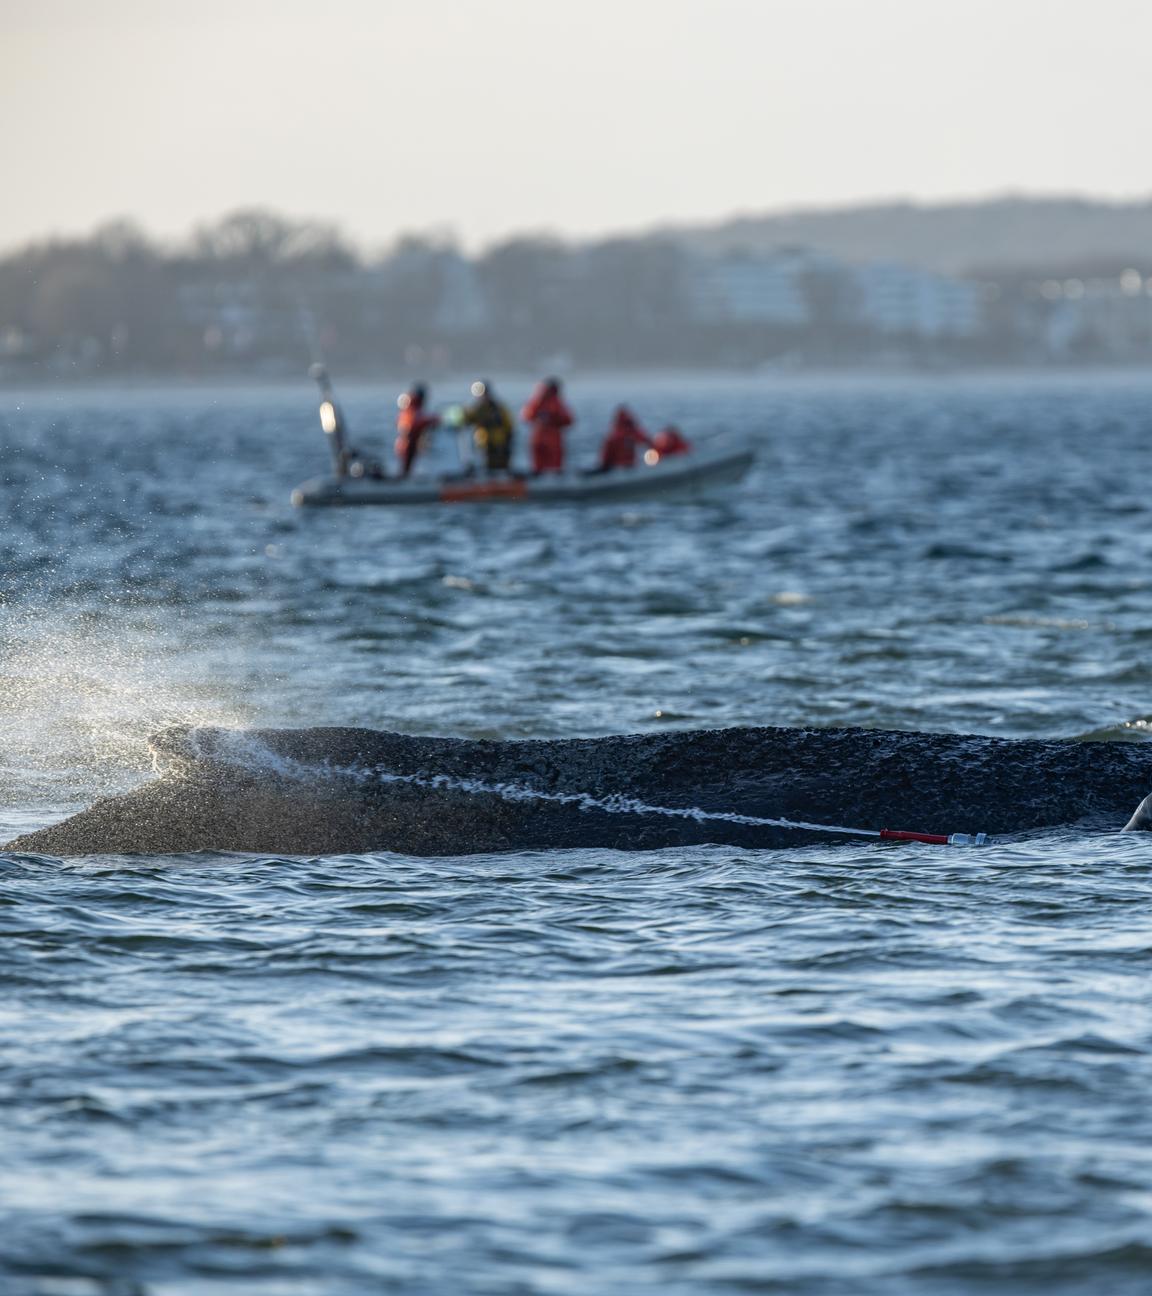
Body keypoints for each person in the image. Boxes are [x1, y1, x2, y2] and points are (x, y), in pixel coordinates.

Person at [521, 377, 574, 475]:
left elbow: (568, 420)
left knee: (544, 469)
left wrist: (553, 419)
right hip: (547, 441)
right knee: (549, 469)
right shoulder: (552, 402)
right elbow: (526, 416)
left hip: (541, 439)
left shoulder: (537, 401)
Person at [461, 380, 516, 474]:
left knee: (501, 468)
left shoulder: (499, 409)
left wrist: (508, 443)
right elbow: (466, 420)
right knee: (485, 469)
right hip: (483, 446)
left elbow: (510, 426)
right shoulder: (476, 409)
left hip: (499, 445)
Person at [591, 405, 654, 473]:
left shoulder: (613, 436)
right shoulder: (628, 433)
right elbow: (647, 441)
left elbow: (604, 459)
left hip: (625, 467)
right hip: (622, 468)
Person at [395, 383, 439, 478]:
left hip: (409, 443)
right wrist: (433, 420)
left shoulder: (410, 409)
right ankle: (403, 483)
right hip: (407, 444)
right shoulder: (411, 410)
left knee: (408, 469)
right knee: (405, 469)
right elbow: (415, 423)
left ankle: (405, 479)